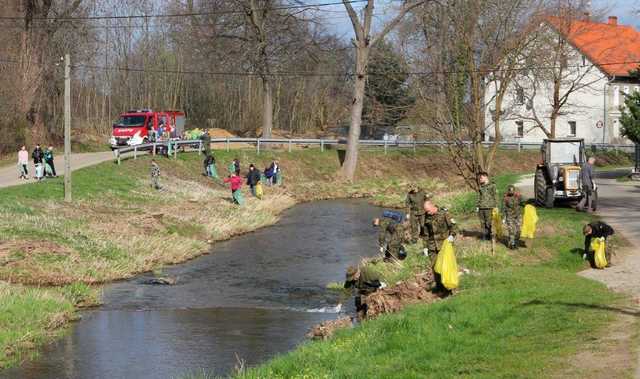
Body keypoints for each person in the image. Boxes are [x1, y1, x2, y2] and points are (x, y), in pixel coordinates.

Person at [423, 199, 457, 294]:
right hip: (432, 247)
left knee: (445, 267)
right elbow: (425, 234)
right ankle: (439, 288)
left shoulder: (444, 213)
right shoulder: (426, 217)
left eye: (428, 210)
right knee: (435, 268)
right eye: (426, 211)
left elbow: (454, 226)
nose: (428, 213)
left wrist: (452, 236)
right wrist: (425, 246)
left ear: (433, 206)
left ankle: (448, 288)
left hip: (444, 245)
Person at [477, 172, 497, 240]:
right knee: (482, 222)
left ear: (486, 177)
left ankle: (491, 235)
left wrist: (496, 206)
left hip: (489, 207)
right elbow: (479, 197)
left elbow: (495, 196)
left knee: (489, 222)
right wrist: (477, 206)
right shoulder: (480, 187)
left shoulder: (492, 186)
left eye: (481, 178)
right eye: (480, 178)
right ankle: (484, 236)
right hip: (481, 207)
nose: (480, 179)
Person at [503, 185, 523, 249]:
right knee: (511, 230)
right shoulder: (506, 197)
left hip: (518, 215)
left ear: (514, 190)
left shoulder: (518, 196)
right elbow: (503, 207)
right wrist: (503, 217)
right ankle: (512, 243)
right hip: (509, 216)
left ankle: (516, 241)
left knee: (518, 231)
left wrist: (520, 195)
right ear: (508, 191)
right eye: (510, 191)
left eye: (512, 191)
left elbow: (523, 202)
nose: (511, 192)